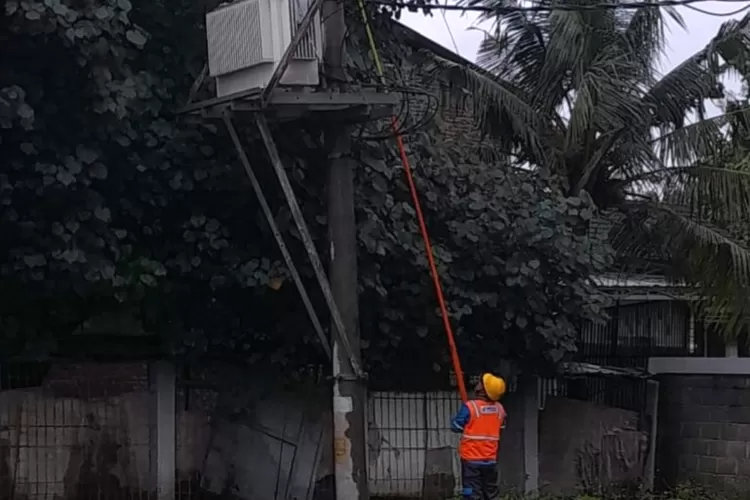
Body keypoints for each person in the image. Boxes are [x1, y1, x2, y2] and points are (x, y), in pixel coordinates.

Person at [450, 373, 507, 500]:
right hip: (490, 460)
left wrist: (455, 419)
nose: (477, 384)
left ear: (483, 390)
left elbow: (456, 426)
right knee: (490, 492)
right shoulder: (500, 409)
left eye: (480, 382)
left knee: (470, 491)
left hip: (471, 460)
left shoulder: (470, 407)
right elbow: (500, 426)